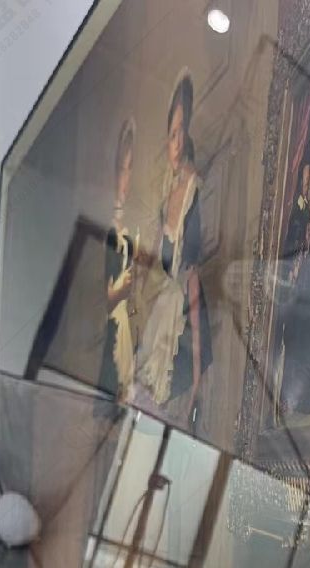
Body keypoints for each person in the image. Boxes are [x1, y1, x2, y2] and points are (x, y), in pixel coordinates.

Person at [134, 69, 213, 430]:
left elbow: (190, 278)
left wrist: (195, 383)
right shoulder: (166, 198)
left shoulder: (194, 192)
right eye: (171, 135)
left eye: (182, 132)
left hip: (181, 311)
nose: (176, 142)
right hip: (160, 310)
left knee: (169, 406)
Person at [98, 117, 137, 401]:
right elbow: (107, 298)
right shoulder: (108, 231)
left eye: (130, 169)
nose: (126, 179)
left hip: (124, 327)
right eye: (122, 169)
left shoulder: (126, 228)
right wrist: (124, 288)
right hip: (112, 329)